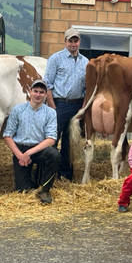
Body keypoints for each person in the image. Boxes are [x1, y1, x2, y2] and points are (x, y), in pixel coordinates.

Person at [3, 79, 61, 204]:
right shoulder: (18, 110)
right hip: (21, 150)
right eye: (35, 91)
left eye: (41, 92)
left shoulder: (50, 113)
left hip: (39, 149)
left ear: (46, 94)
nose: (38, 95)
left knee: (54, 155)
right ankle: (32, 176)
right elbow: (7, 135)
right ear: (29, 92)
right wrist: (20, 155)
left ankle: (45, 189)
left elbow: (51, 139)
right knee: (23, 191)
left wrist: (29, 153)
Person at [44, 27, 89, 181]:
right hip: (59, 104)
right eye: (70, 41)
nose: (73, 44)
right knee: (52, 140)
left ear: (79, 41)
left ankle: (65, 175)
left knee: (69, 144)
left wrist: (83, 108)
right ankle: (48, 174)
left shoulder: (85, 62)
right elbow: (47, 84)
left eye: (76, 41)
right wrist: (52, 107)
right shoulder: (55, 59)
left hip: (76, 106)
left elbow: (87, 88)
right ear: (65, 41)